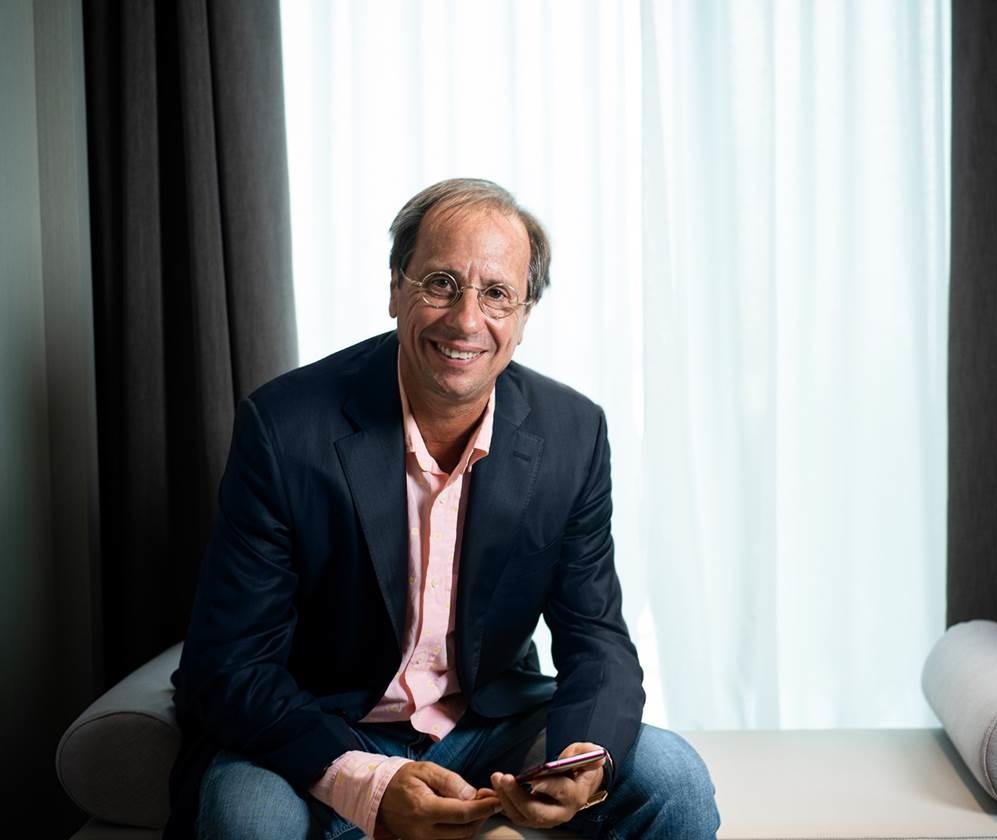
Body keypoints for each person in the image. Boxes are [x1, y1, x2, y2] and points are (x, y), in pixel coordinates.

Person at [165, 178, 720, 840]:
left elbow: (594, 635)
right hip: (322, 724)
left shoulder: (572, 434)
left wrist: (584, 759)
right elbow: (228, 663)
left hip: (486, 725)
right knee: (247, 820)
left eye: (497, 294)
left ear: (523, 316)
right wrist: (365, 781)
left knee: (673, 779)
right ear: (395, 289)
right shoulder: (284, 428)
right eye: (440, 284)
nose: (466, 320)